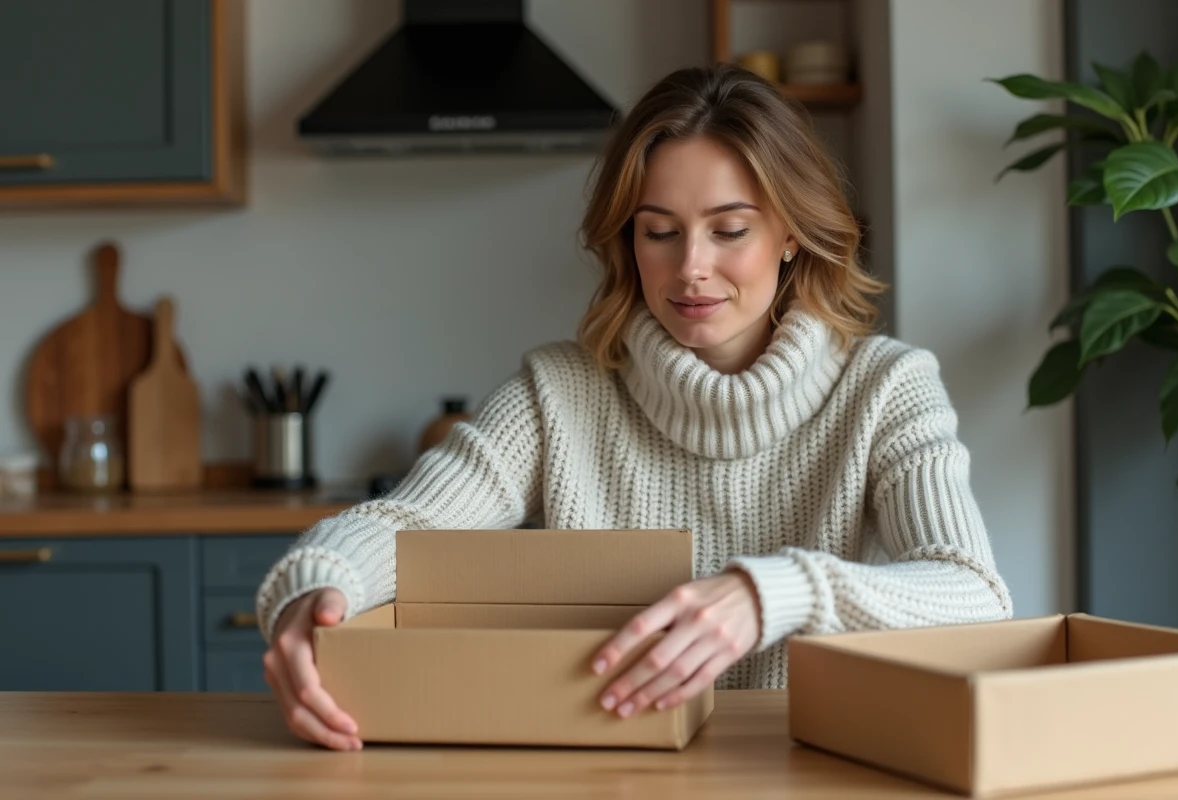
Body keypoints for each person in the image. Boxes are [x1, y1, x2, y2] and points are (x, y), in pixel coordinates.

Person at [256, 63, 1012, 751]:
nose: (691, 268)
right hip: (607, 769)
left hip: (800, 767)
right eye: (660, 232)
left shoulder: (888, 387)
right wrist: (315, 588)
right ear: (628, 241)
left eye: (730, 230)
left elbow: (974, 594)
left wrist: (773, 592)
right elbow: (405, 523)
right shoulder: (558, 393)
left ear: (790, 234)